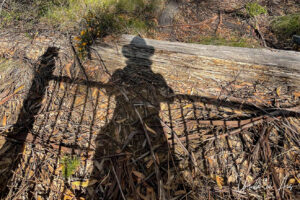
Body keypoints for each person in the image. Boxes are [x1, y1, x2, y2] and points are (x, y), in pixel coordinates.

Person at [87, 36, 174, 199]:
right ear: (146, 57)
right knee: (147, 164)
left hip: (125, 125)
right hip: (148, 126)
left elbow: (109, 91)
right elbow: (169, 97)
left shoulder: (121, 73)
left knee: (121, 160)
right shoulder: (156, 77)